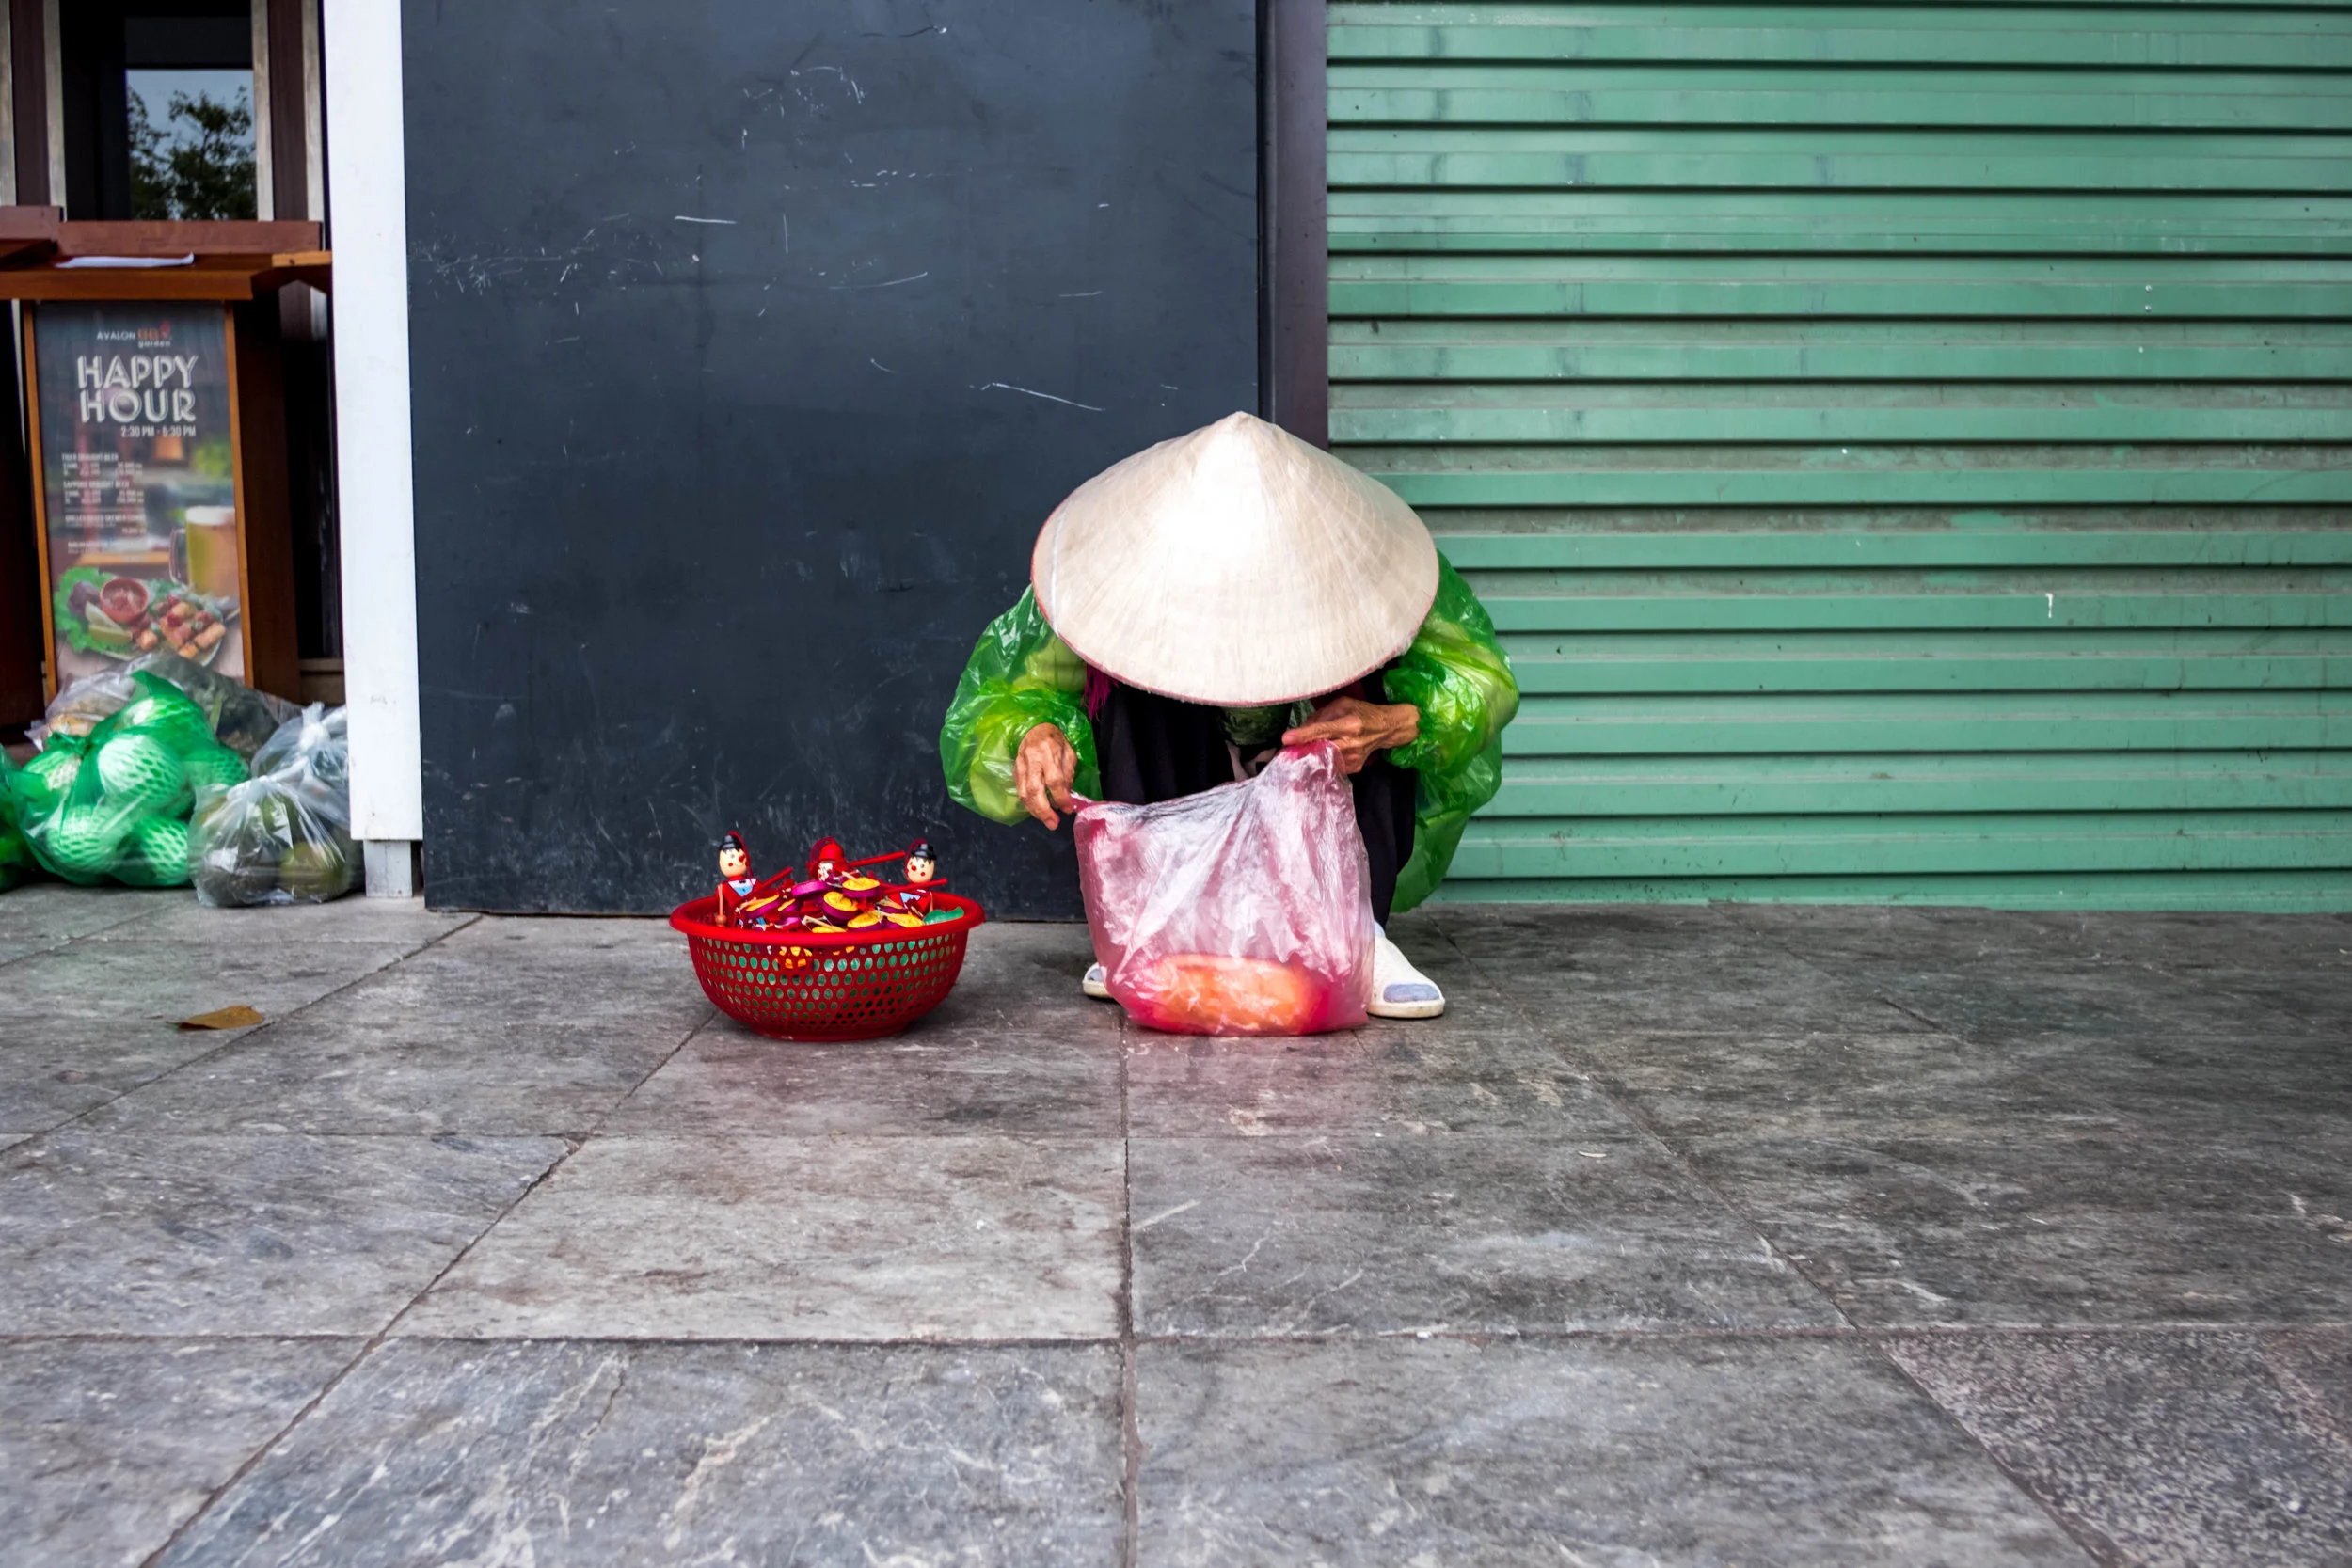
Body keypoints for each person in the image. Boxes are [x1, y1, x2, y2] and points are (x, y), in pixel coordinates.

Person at [938, 412, 1518, 1019]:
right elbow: (1002, 702)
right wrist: (1032, 733)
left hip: (1323, 766)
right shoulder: (1111, 573)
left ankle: (1358, 931)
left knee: (1384, 694)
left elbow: (1478, 683)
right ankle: (1156, 930)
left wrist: (1395, 724)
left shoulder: (1378, 559)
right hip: (1183, 762)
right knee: (1122, 680)